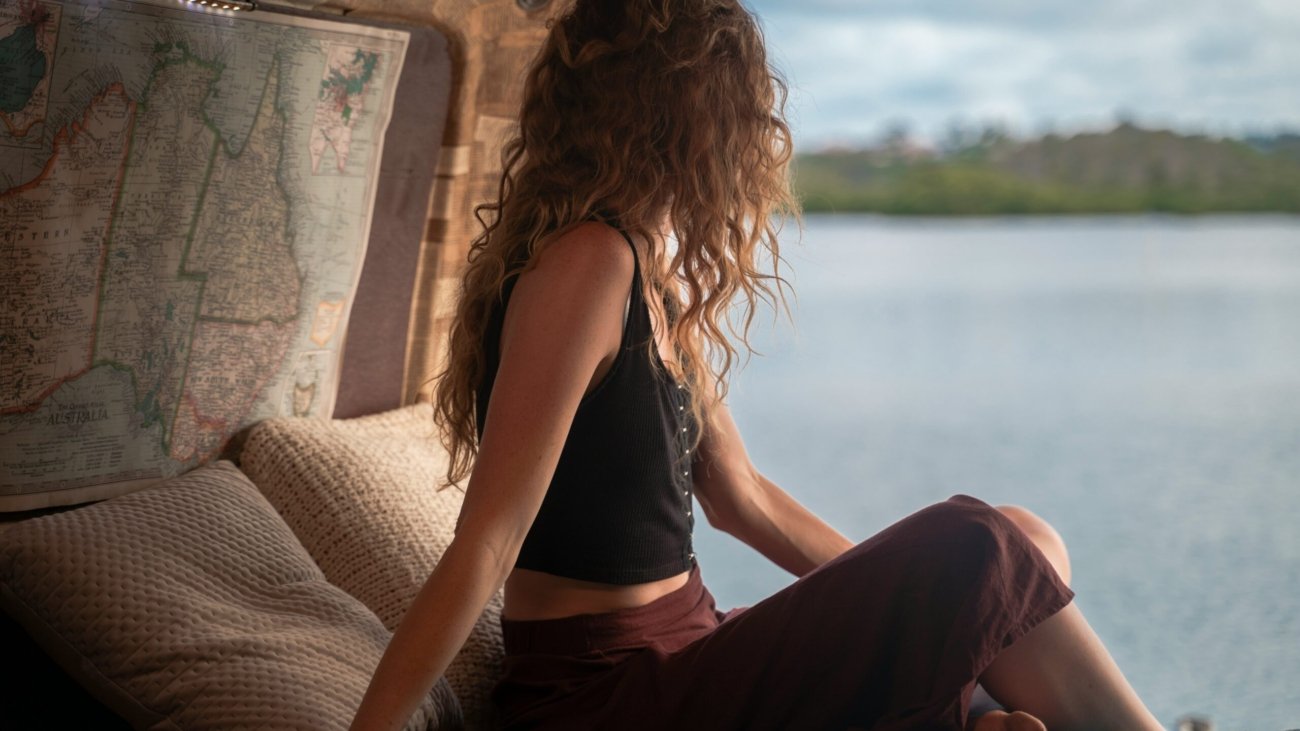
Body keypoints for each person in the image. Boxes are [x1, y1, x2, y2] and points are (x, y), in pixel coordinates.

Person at [350, 2, 1165, 729]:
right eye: (739, 110)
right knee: (984, 544)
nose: (753, 140)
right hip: (607, 692)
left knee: (1023, 551)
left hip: (690, 647)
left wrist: (917, 606)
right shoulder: (586, 264)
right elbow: (487, 542)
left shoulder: (647, 274)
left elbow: (742, 498)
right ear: (685, 115)